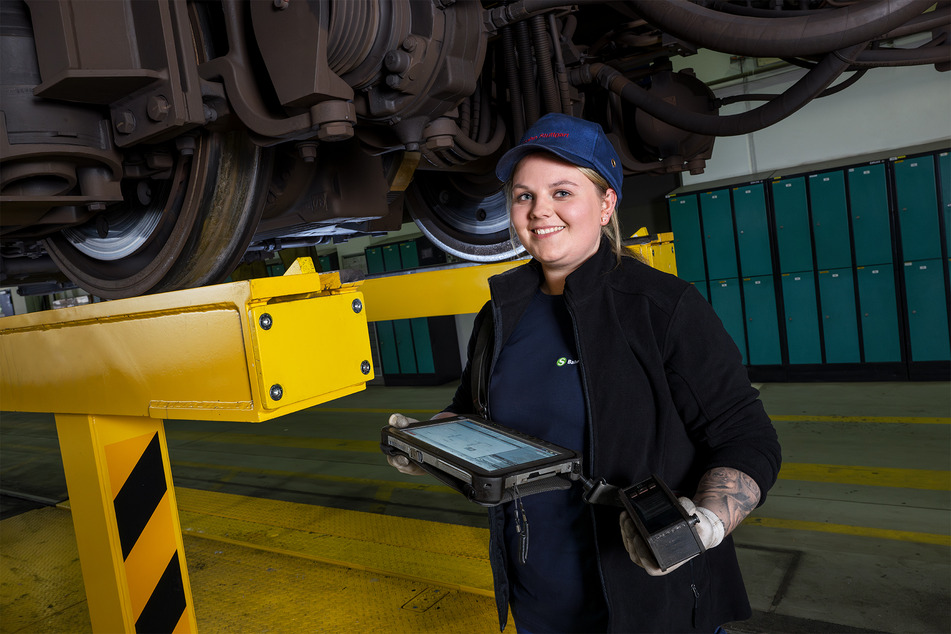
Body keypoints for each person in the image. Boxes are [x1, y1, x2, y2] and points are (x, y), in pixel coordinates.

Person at [386, 113, 782, 633]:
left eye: (562, 191)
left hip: (650, 604)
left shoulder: (662, 308)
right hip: (538, 597)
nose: (539, 210)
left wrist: (704, 524)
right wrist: (427, 444)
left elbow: (747, 437)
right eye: (524, 195)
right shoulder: (500, 314)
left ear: (606, 204)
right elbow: (470, 412)